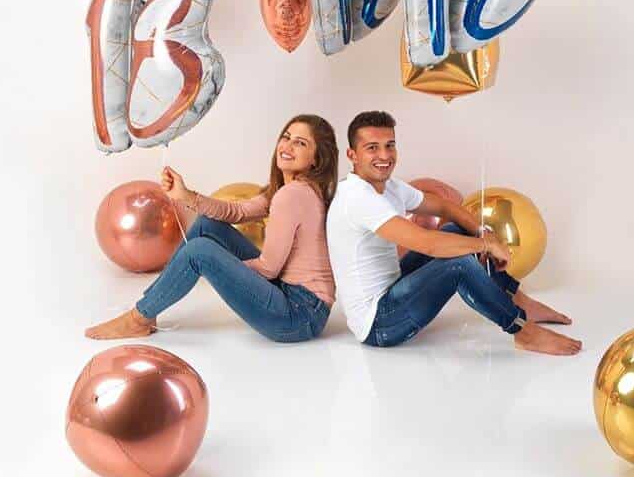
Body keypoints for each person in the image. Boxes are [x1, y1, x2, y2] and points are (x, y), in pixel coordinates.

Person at [326, 111, 582, 356]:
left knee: (457, 230)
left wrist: (483, 234)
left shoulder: (388, 186)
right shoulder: (358, 198)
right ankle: (522, 330)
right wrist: (485, 245)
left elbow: (444, 207)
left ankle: (518, 299)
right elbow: (428, 244)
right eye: (372, 148)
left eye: (389, 145)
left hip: (393, 288)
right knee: (458, 264)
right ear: (352, 155)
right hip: (379, 324)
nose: (384, 155)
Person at [86, 115, 338, 343]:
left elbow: (269, 268)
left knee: (199, 252)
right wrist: (186, 195)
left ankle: (139, 317)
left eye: (300, 143)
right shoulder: (289, 190)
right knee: (208, 226)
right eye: (286, 137)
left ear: (316, 159)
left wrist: (219, 267)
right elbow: (236, 212)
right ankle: (148, 308)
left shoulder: (292, 195)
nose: (288, 146)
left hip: (299, 315)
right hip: (294, 299)